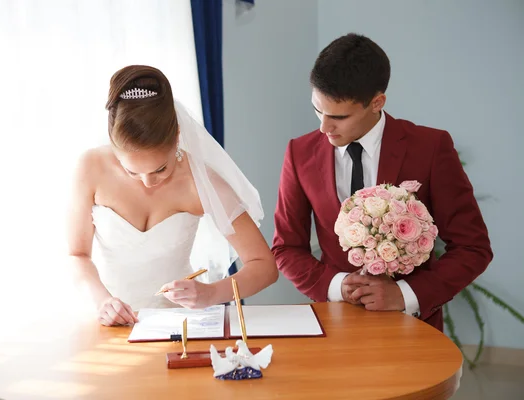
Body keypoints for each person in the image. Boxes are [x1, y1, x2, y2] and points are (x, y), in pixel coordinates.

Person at [272, 33, 492, 331]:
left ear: (377, 102)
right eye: (317, 110)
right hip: (333, 324)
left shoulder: (430, 147)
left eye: (339, 116)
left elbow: (472, 246)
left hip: (413, 326)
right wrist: (336, 286)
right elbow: (286, 248)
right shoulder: (299, 153)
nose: (324, 127)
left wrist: (404, 294)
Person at [67, 65, 278, 326]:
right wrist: (102, 301)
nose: (148, 182)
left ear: (177, 137)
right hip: (106, 323)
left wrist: (211, 293)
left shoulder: (200, 181)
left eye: (160, 169)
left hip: (180, 324)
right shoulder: (91, 168)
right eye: (132, 171)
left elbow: (264, 266)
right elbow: (77, 254)